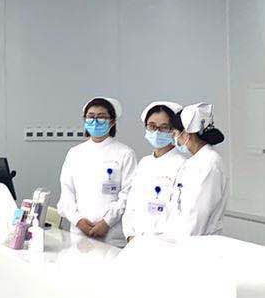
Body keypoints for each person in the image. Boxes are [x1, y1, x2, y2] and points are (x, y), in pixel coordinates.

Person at [58, 96, 137, 246]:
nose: (95, 121)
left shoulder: (125, 153)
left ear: (112, 122)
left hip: (111, 234)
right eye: (90, 117)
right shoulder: (75, 153)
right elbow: (67, 192)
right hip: (79, 232)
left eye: (101, 117)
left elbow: (128, 194)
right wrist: (78, 221)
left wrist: (107, 222)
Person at [121, 101, 185, 243]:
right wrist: (130, 235)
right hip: (135, 241)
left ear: (173, 130)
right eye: (152, 126)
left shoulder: (182, 165)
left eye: (164, 127)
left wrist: (158, 242)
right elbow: (131, 205)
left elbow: (179, 213)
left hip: (164, 244)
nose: (157, 132)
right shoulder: (144, 163)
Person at [168, 102, 228, 236]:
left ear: (187, 134)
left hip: (196, 242)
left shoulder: (210, 163)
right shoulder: (192, 162)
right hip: (181, 239)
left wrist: (180, 244)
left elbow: (198, 215)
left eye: (175, 133)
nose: (175, 138)